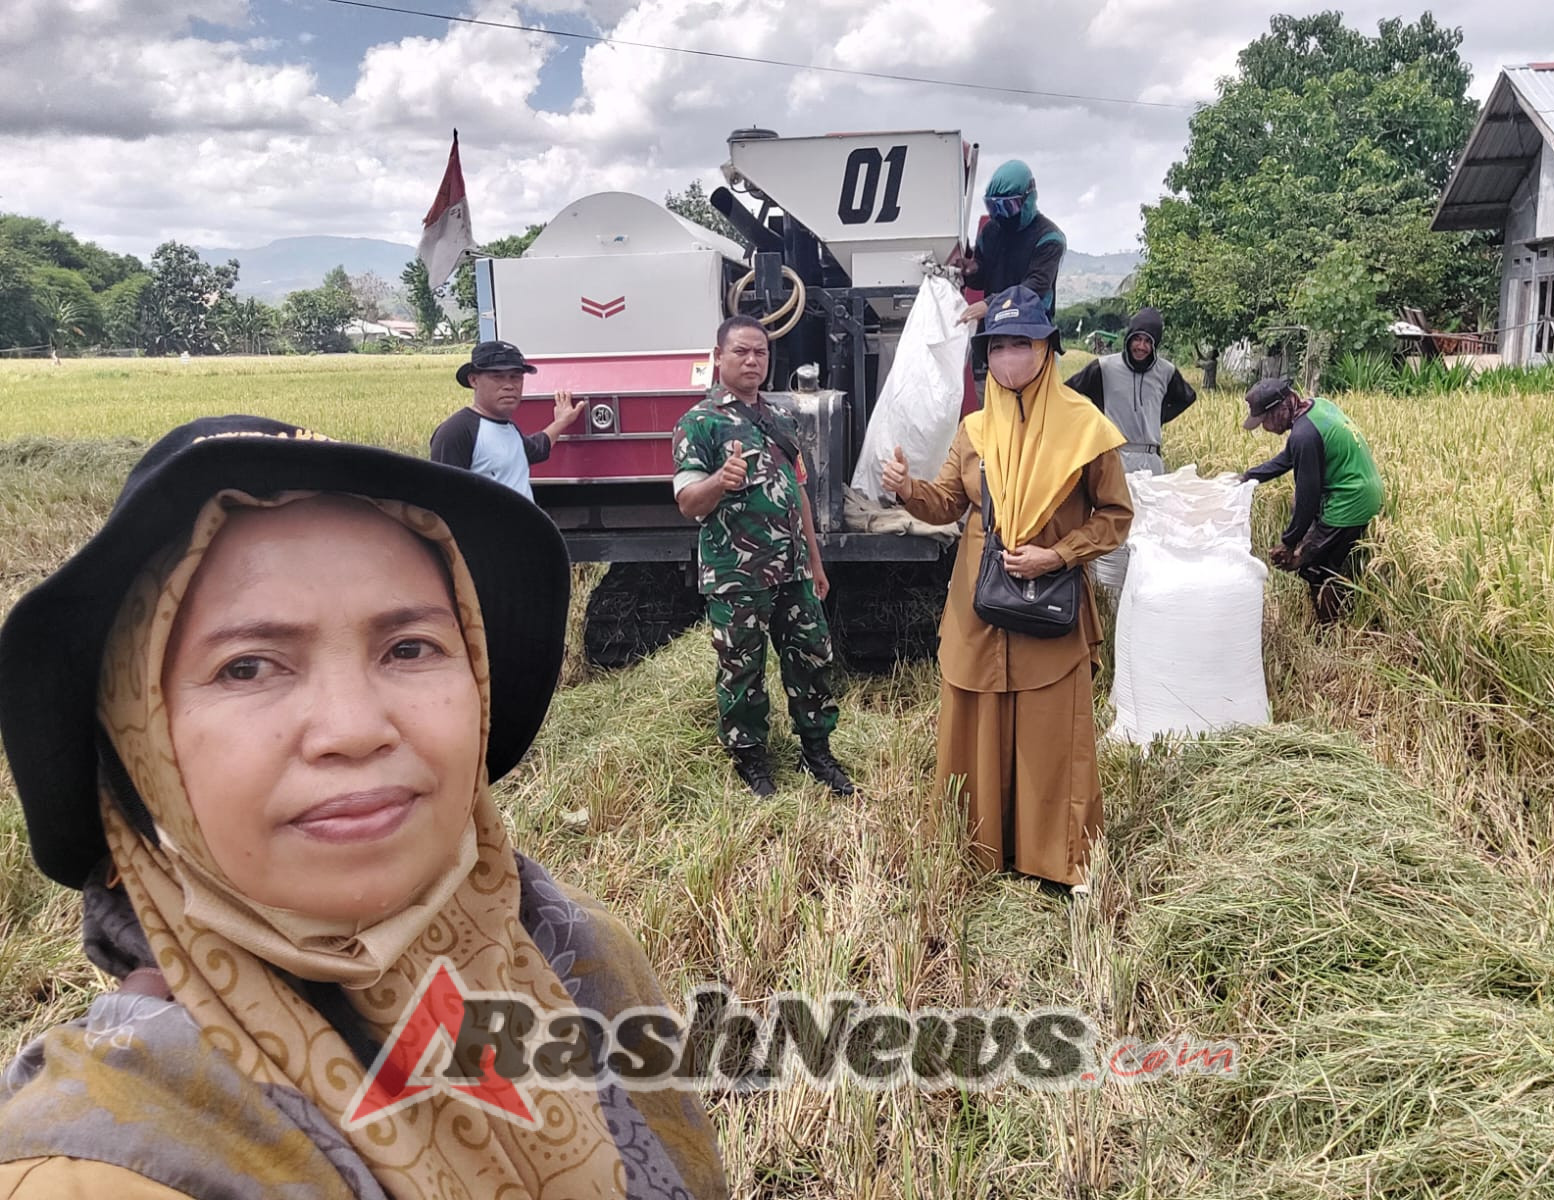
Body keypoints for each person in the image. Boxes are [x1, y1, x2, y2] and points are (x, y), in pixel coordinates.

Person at [0, 415, 728, 1198]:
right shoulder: (95, 1168)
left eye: (409, 648)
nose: (352, 729)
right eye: (248, 667)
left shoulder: (580, 953)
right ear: (137, 735)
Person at [879, 287, 1132, 894]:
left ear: (1047, 350)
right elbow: (946, 503)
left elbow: (1116, 517)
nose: (1008, 357)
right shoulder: (975, 430)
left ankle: (1055, 861)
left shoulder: (1085, 428)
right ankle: (980, 852)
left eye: (1022, 343)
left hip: (1049, 606)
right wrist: (907, 489)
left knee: (1051, 737)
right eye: (997, 346)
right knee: (976, 728)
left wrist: (1057, 554)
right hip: (981, 605)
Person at [671, 316, 854, 799]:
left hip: (793, 571)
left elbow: (798, 492)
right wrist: (720, 480)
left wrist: (815, 563)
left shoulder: (780, 419)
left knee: (812, 658)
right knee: (742, 672)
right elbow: (687, 502)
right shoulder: (699, 423)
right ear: (718, 357)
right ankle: (752, 760)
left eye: (761, 352)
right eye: (741, 352)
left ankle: (817, 751)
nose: (752, 361)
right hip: (737, 575)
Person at [1240, 378, 1384, 623]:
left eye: (1265, 420)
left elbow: (1308, 498)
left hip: (1350, 501)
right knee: (1315, 556)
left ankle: (1328, 630)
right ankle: (1332, 619)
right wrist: (1247, 477)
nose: (1264, 427)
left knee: (1316, 568)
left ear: (1281, 409)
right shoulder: (1317, 406)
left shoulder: (1304, 436)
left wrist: (1289, 543)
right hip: (1364, 488)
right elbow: (1288, 458)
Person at [430, 338, 587, 500]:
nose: (509, 386)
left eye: (515, 377)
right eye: (498, 377)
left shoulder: (509, 428)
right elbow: (443, 499)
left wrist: (562, 421)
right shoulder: (456, 432)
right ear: (474, 380)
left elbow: (536, 449)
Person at [1064, 306, 1198, 478]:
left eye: (1148, 341)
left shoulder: (1166, 371)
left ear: (1155, 344)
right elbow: (1067, 392)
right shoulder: (1104, 367)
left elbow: (1187, 397)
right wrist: (1091, 421)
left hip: (1150, 460)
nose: (1141, 346)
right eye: (1137, 339)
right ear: (1128, 338)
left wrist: (1159, 416)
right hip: (1113, 457)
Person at [959, 160, 1067, 326]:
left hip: (1031, 327)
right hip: (993, 326)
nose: (1001, 215)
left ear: (1028, 199)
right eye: (993, 207)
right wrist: (970, 270)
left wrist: (990, 304)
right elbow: (981, 278)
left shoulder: (1049, 238)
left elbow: (1034, 288)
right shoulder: (990, 231)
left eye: (1008, 206)